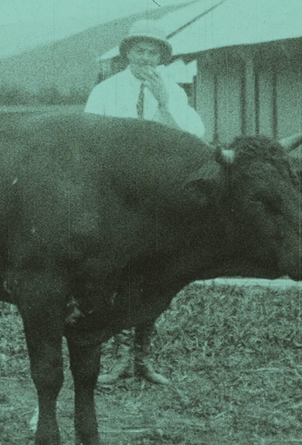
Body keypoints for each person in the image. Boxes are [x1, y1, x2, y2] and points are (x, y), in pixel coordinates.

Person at [84, 19, 205, 385]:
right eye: (139, 50)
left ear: (162, 57)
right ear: (127, 53)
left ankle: (141, 358)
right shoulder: (106, 91)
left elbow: (192, 140)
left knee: (152, 274)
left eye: (153, 52)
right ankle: (119, 357)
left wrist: (165, 103)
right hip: (117, 197)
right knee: (116, 274)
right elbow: (88, 141)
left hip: (158, 197)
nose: (145, 58)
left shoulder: (175, 92)